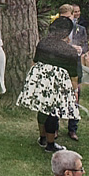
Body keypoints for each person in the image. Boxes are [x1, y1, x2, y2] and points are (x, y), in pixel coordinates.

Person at [17, 17, 81, 153]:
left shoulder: (43, 43)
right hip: (56, 86)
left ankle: (42, 138)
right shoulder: (70, 52)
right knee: (53, 113)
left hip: (40, 82)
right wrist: (74, 92)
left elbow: (34, 63)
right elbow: (74, 77)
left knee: (42, 110)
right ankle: (50, 145)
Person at [59, 4, 87, 140]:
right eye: (63, 17)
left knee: (75, 97)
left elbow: (85, 46)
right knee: (58, 97)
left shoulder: (80, 30)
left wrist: (80, 49)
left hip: (75, 67)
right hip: (61, 66)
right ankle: (54, 128)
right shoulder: (56, 29)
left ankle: (72, 129)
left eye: (69, 17)